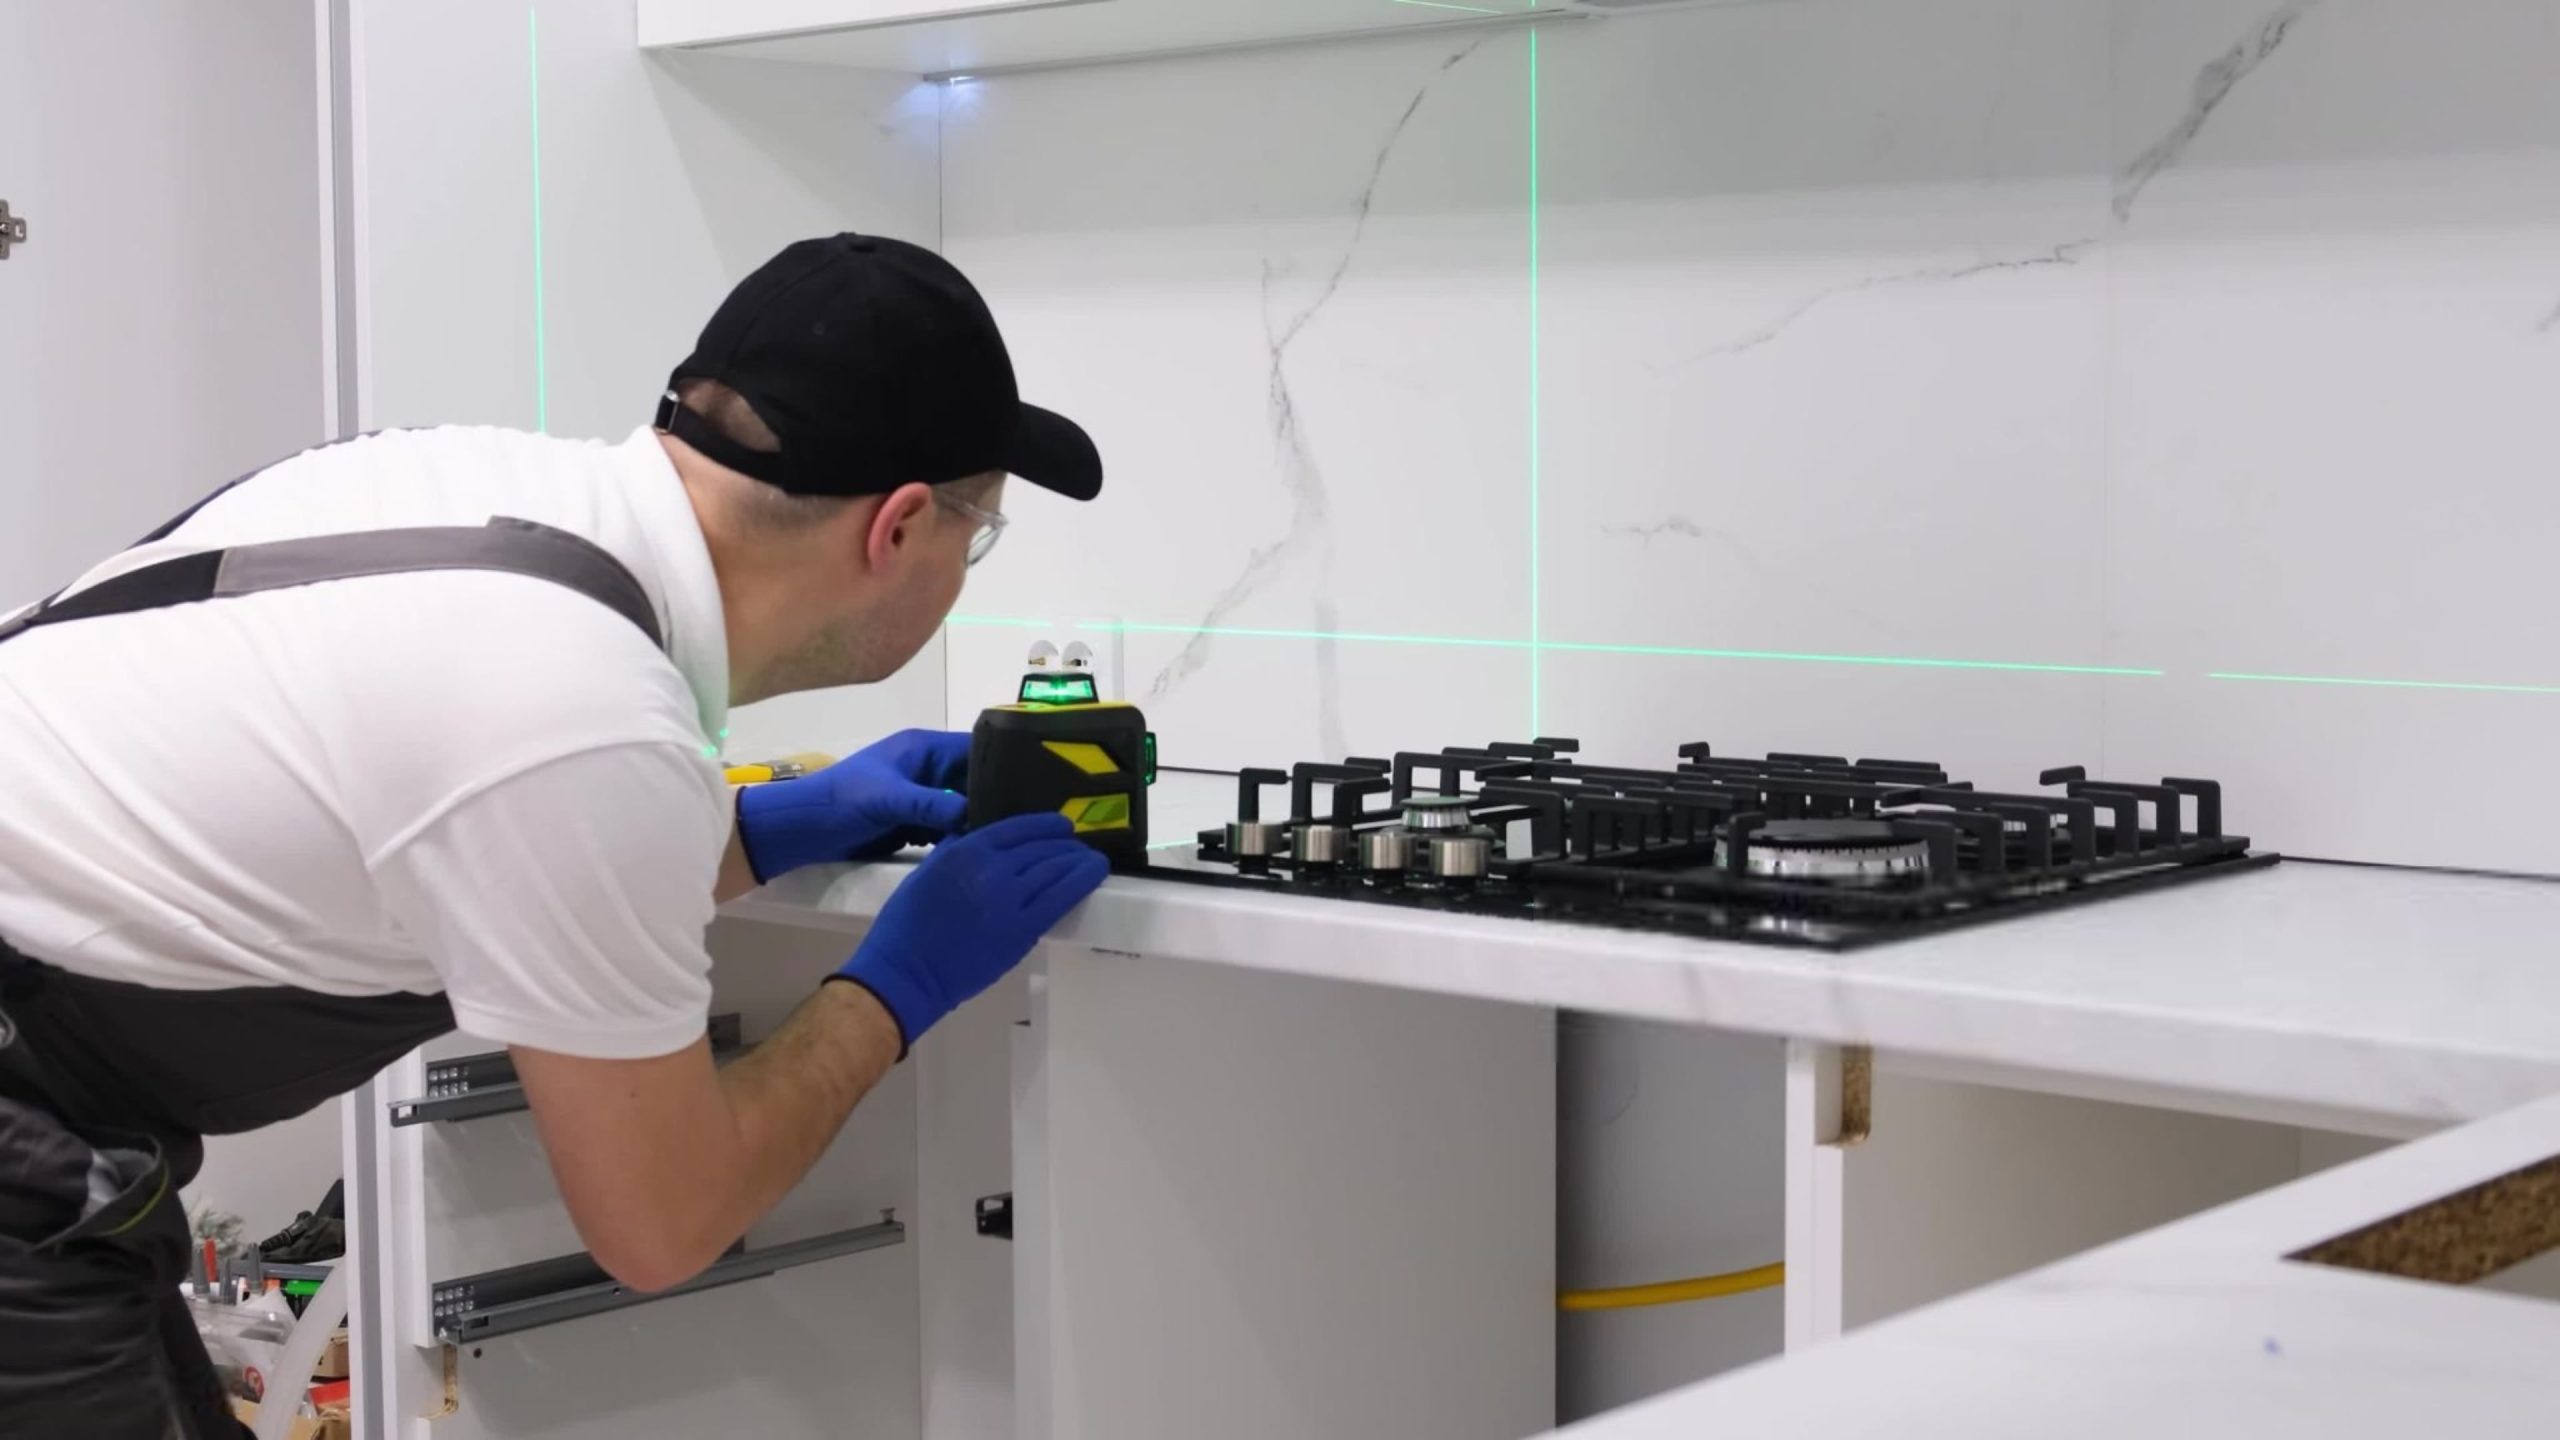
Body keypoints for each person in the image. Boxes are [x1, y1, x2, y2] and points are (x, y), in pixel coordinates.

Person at [0, 233, 1111, 1438]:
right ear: (896, 528)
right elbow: (662, 1223)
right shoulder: (583, 717)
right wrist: (897, 985)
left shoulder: (471, 489)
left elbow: (501, 849)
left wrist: (766, 828)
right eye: (975, 533)